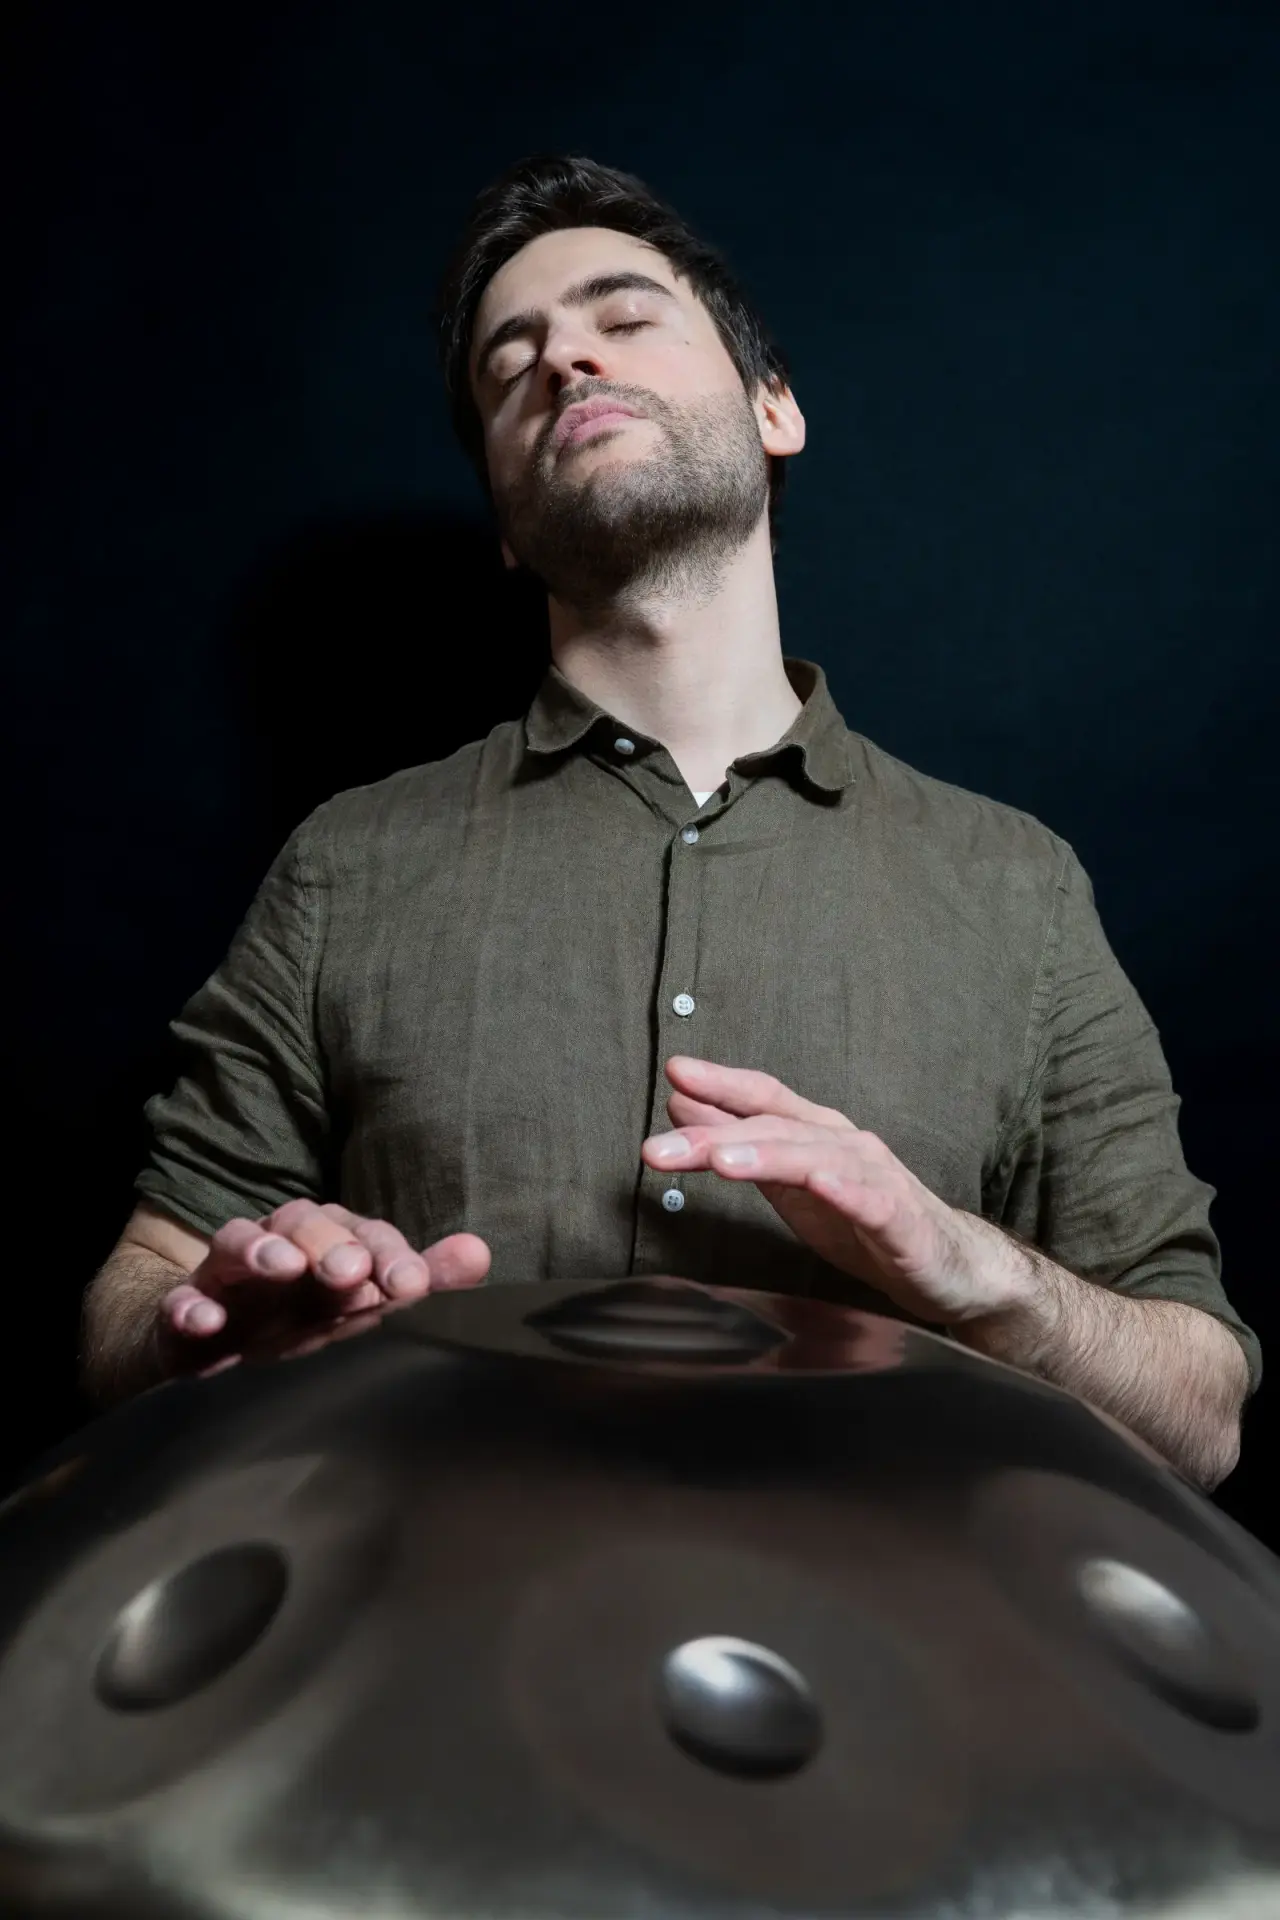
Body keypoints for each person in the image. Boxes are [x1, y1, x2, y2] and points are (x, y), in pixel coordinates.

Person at [82, 153, 1258, 1488]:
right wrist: (215, 1324)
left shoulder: (1018, 885)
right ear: (507, 526)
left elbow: (1201, 1414)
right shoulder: (346, 865)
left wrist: (971, 1267)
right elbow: (137, 1295)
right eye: (510, 364)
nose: (563, 361)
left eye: (624, 317)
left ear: (774, 409)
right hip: (445, 1601)